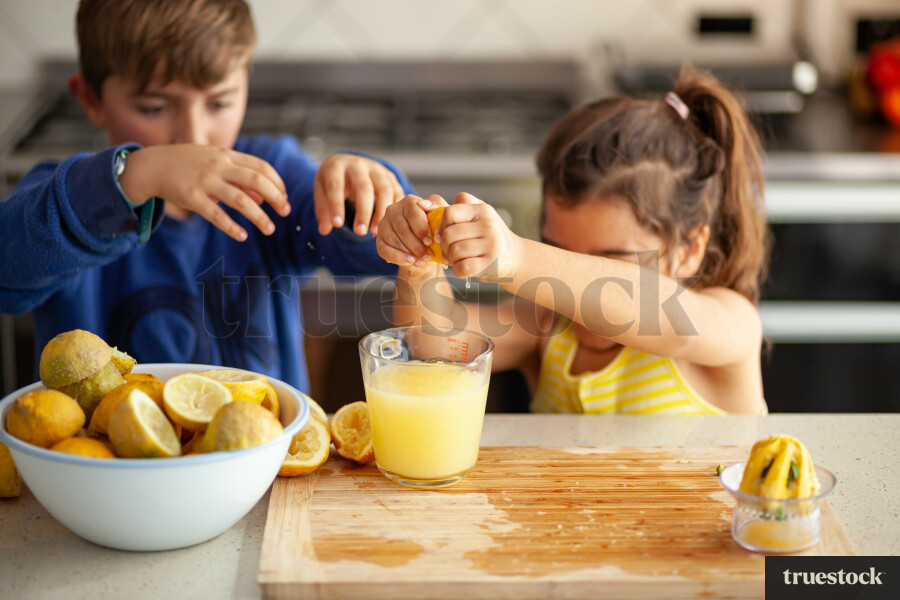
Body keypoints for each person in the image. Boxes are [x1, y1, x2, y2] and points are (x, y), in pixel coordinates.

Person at [0, 0, 413, 393]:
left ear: (245, 85)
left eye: (218, 103)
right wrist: (136, 174)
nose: (193, 138)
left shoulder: (272, 173)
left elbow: (375, 252)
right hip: (100, 465)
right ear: (91, 99)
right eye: (154, 108)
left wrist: (371, 196)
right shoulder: (68, 198)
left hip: (262, 461)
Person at [377, 66, 770, 415]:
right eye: (558, 252)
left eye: (611, 261)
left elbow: (675, 321)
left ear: (689, 250)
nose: (573, 280)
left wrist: (519, 257)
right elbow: (433, 344)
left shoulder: (731, 327)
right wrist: (420, 259)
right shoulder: (549, 328)